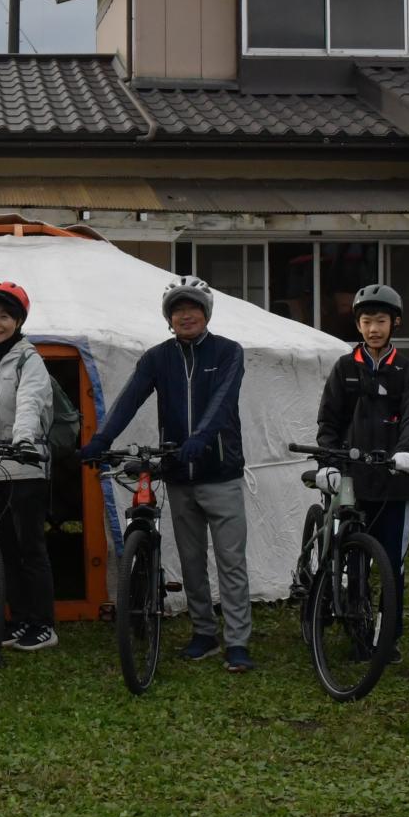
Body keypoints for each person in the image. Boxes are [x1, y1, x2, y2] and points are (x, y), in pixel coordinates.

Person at [80, 275, 255, 672]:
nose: (185, 315)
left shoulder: (229, 352)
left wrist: (200, 438)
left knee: (230, 561)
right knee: (192, 560)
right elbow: (128, 399)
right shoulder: (157, 358)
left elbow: (223, 403)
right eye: (177, 309)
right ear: (168, 317)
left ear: (206, 313)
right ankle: (204, 633)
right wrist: (101, 439)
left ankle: (238, 641)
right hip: (178, 474)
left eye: (192, 308)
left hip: (220, 472)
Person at [314, 283, 409, 659]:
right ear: (358, 326)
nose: (374, 328)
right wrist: (330, 462)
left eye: (381, 320)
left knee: (392, 564)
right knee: (355, 557)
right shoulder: (345, 368)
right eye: (366, 321)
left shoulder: (408, 371)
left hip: (395, 481)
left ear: (395, 323)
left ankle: (388, 636)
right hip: (352, 479)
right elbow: (328, 422)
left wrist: (406, 451)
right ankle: (357, 629)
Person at [0, 281, 60, 652]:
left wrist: (22, 441)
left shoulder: (28, 359)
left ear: (18, 321)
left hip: (27, 466)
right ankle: (19, 620)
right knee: (3, 548)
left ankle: (43, 624)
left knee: (30, 547)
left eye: (4, 316)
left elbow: (30, 402)